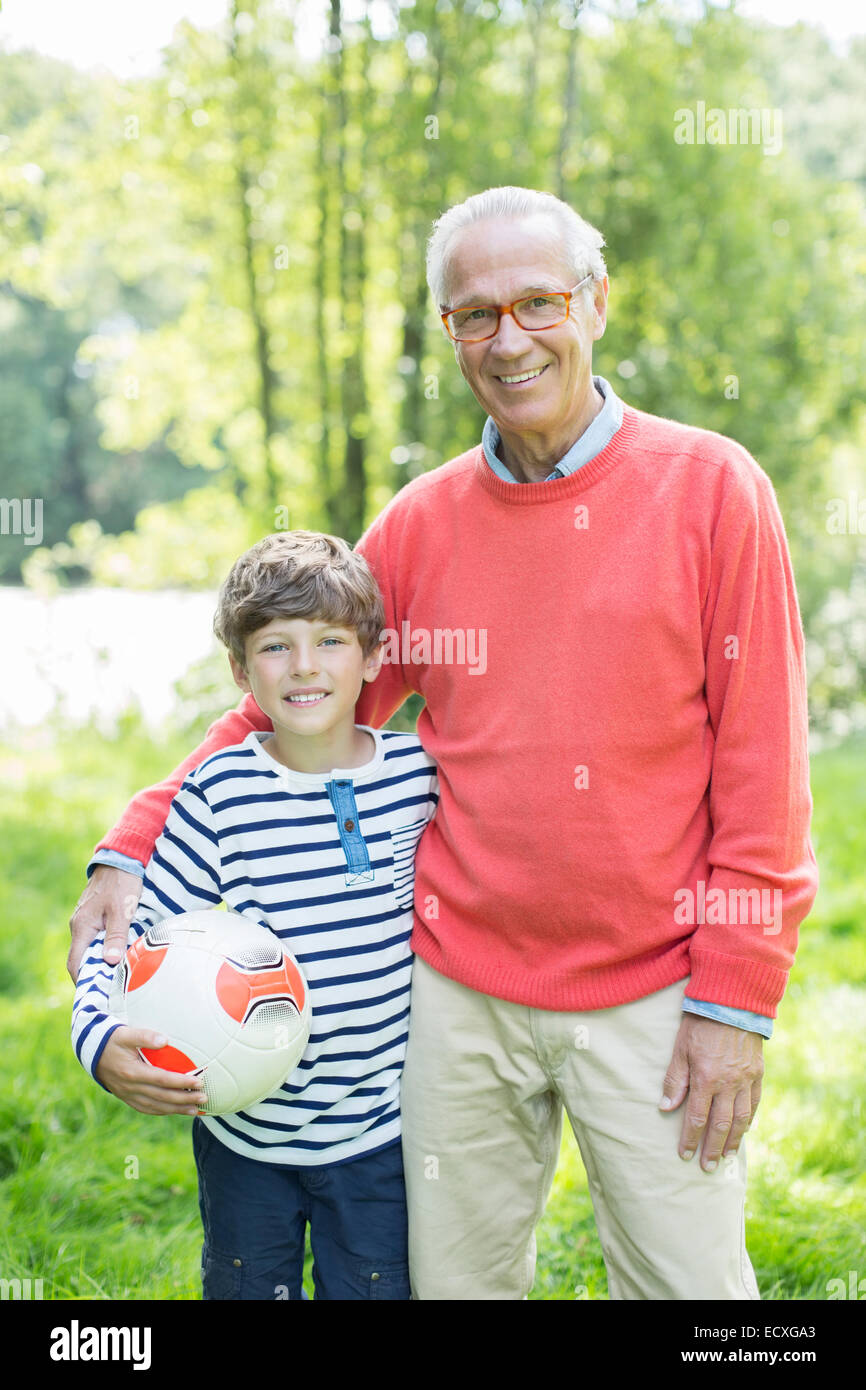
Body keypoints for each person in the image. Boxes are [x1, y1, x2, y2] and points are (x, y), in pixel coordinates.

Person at [69, 186, 817, 1301]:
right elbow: (298, 709)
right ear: (448, 334)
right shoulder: (420, 523)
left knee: (693, 1296)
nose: (508, 339)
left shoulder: (711, 490)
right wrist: (133, 839)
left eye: (537, 302)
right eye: (474, 315)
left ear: (594, 302)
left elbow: (763, 773)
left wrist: (733, 1006)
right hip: (455, 996)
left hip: (658, 993)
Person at [71, 530, 438, 1300]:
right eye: (276, 646)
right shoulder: (219, 792)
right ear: (242, 671)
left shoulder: (416, 778)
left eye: (331, 640)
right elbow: (128, 935)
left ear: (373, 658)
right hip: (245, 1135)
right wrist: (97, 1038)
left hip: (378, 1137)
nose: (304, 665)